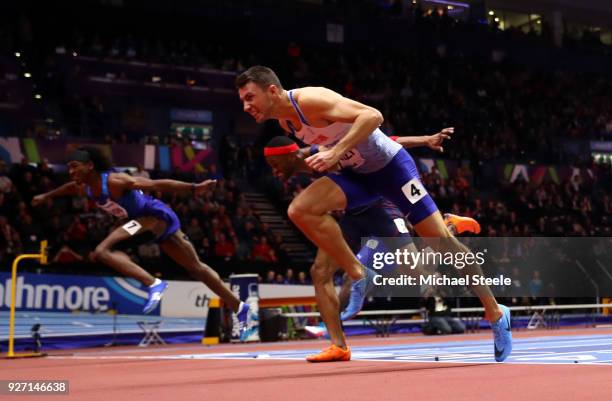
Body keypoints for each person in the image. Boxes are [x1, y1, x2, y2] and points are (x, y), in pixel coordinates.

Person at [239, 65, 511, 362]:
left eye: (250, 97)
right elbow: (330, 148)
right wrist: (310, 160)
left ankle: (496, 311)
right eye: (242, 100)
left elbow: (373, 116)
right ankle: (354, 283)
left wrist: (335, 150)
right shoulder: (286, 124)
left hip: (391, 170)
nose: (246, 106)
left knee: (442, 245)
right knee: (300, 209)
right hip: (356, 178)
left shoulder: (310, 100)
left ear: (272, 91)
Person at [263, 135, 480, 361]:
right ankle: (339, 346)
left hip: (382, 208)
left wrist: (425, 140)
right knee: (320, 272)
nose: (274, 171)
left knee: (415, 274)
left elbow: (389, 141)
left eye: (275, 165)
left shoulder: (325, 150)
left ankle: (447, 227)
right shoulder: (310, 153)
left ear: (288, 156)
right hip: (353, 216)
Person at [31, 147, 250, 337]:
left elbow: (156, 184)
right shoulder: (83, 187)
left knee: (102, 249)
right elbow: (67, 188)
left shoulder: (116, 181)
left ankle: (154, 283)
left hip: (153, 217)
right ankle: (239, 306)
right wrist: (46, 196)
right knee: (197, 268)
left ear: (89, 166)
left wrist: (193, 188)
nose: (71, 172)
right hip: (143, 225)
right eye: (69, 167)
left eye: (75, 166)